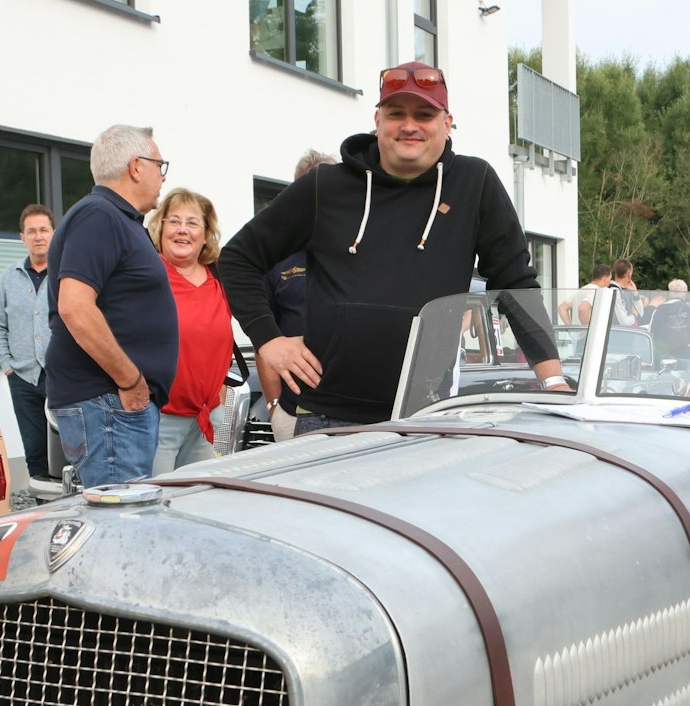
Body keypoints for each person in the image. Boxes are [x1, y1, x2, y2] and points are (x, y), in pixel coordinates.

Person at [220, 60, 562, 433]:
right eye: (396, 113)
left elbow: (515, 283)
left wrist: (553, 380)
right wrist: (268, 339)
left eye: (424, 115)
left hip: (427, 415)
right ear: (378, 120)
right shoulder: (326, 186)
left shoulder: (474, 183)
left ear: (447, 123)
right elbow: (238, 258)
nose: (409, 125)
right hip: (327, 416)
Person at [44, 124, 175, 487]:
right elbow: (75, 307)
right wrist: (132, 382)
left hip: (113, 404)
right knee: (119, 516)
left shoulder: (116, 218)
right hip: (110, 403)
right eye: (159, 166)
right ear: (136, 166)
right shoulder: (100, 215)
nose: (163, 177)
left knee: (124, 513)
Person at [148, 188, 234, 473]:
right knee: (157, 496)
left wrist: (219, 388)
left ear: (206, 234)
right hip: (159, 419)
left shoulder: (219, 276)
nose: (182, 230)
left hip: (206, 418)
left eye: (192, 223)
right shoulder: (147, 274)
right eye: (174, 221)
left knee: (198, 495)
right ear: (161, 228)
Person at [261, 149, 338, 442]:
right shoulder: (277, 259)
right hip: (295, 411)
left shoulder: (360, 253)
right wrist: (274, 407)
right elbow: (263, 338)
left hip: (355, 412)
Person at [0, 204, 58, 494]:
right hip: (23, 378)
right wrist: (6, 364)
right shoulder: (9, 276)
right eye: (31, 231)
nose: (38, 236)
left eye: (43, 230)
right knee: (34, 451)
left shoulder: (65, 273)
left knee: (70, 449)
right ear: (22, 237)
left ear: (54, 233)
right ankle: (42, 511)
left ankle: (69, 508)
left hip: (62, 377)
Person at [649, 278, 690, 362]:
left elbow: (652, 334)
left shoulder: (659, 311)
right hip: (687, 356)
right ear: (685, 293)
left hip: (665, 357)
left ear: (670, 293)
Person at [609, 257, 642, 326]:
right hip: (616, 330)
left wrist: (635, 294)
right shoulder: (614, 291)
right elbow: (624, 322)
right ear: (629, 273)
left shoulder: (627, 290)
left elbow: (641, 313)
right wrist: (634, 316)